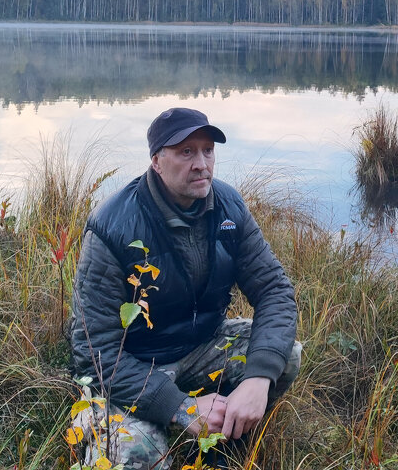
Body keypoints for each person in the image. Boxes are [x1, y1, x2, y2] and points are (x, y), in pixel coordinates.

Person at [69, 107, 301, 469]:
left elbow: (275, 291)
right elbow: (93, 349)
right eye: (186, 152)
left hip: (200, 347)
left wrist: (257, 379)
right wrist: (179, 406)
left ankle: (225, 443)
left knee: (283, 357)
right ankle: (111, 425)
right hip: (136, 364)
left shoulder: (229, 207)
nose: (201, 163)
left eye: (208, 150)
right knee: (139, 457)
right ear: (157, 161)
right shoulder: (112, 226)